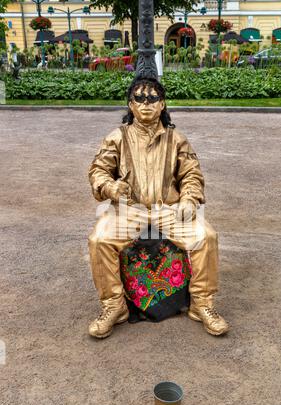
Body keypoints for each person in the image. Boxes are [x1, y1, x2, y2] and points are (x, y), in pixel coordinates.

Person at [88, 77, 229, 339]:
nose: (146, 103)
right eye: (139, 98)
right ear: (130, 105)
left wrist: (188, 199)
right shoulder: (116, 138)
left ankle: (202, 304)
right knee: (99, 240)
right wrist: (110, 187)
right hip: (129, 211)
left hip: (170, 210)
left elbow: (191, 175)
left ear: (162, 104)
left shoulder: (177, 139)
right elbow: (98, 171)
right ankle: (113, 306)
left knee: (206, 236)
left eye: (152, 98)